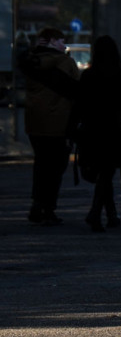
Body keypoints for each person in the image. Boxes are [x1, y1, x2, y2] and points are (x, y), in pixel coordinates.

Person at [20, 28, 80, 225]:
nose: (64, 45)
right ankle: (48, 207)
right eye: (61, 41)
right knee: (55, 168)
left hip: (35, 123)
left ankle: (37, 204)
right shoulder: (66, 62)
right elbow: (77, 91)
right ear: (53, 41)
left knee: (40, 165)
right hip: (59, 125)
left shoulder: (30, 63)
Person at [75, 36, 121, 232]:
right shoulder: (120, 77)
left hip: (91, 131)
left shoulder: (87, 76)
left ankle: (106, 214)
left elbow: (79, 104)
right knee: (106, 173)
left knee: (102, 174)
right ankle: (99, 213)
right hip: (112, 131)